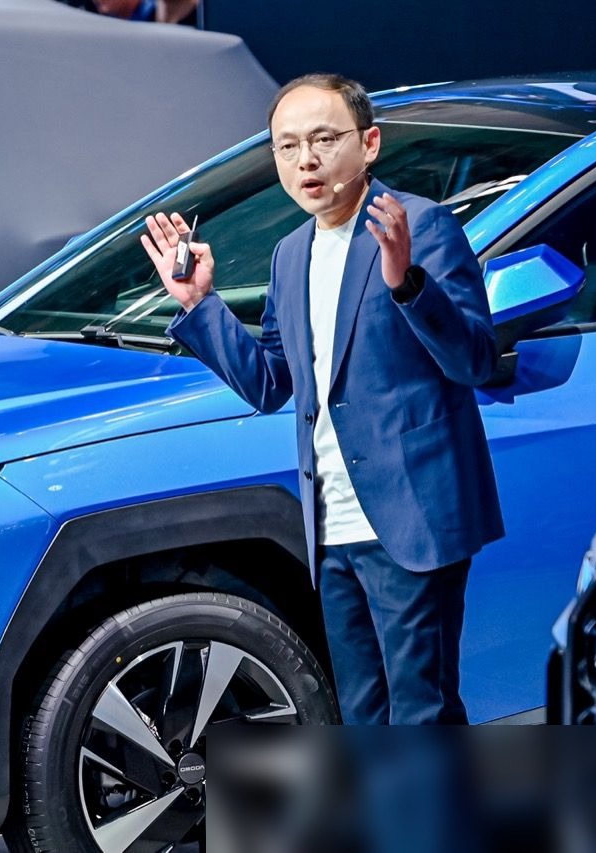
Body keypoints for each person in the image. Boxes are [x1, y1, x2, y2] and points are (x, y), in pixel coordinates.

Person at [141, 73, 504, 724]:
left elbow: (475, 361)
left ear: (369, 144)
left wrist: (408, 283)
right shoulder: (290, 254)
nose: (305, 159)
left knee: (421, 712)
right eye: (287, 146)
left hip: (412, 517)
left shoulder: (422, 225)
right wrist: (200, 304)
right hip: (331, 526)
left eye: (323, 139)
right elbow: (269, 382)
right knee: (361, 716)